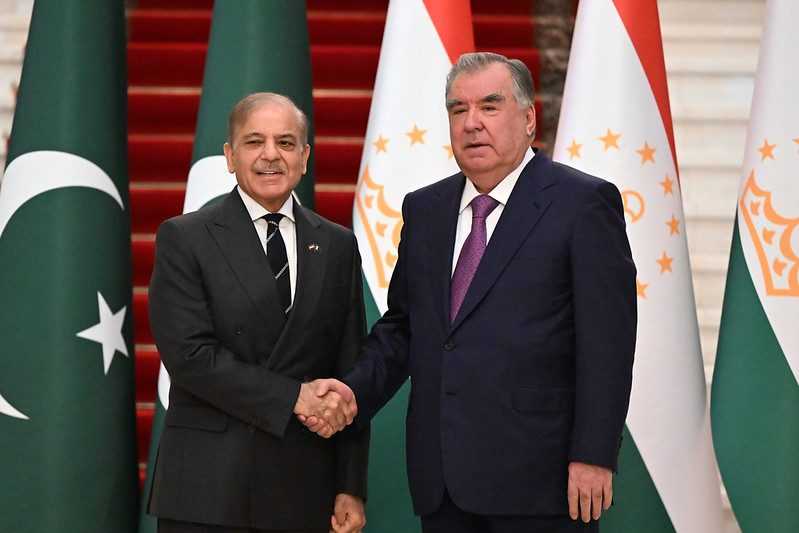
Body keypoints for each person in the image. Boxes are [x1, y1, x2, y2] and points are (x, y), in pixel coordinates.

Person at [304, 52, 637, 532]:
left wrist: (594, 453)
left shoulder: (582, 204)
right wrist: (353, 391)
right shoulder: (425, 209)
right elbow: (405, 329)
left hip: (541, 483)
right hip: (443, 483)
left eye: (490, 106)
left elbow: (608, 343)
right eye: (458, 109)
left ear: (528, 119)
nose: (472, 123)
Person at [147, 92, 369, 533]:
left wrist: (350, 486)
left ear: (304, 157)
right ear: (230, 157)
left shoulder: (338, 244)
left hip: (304, 486)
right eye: (254, 142)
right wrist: (293, 397)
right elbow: (190, 358)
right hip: (209, 490)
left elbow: (349, 370)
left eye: (286, 143)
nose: (271, 155)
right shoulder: (185, 238)